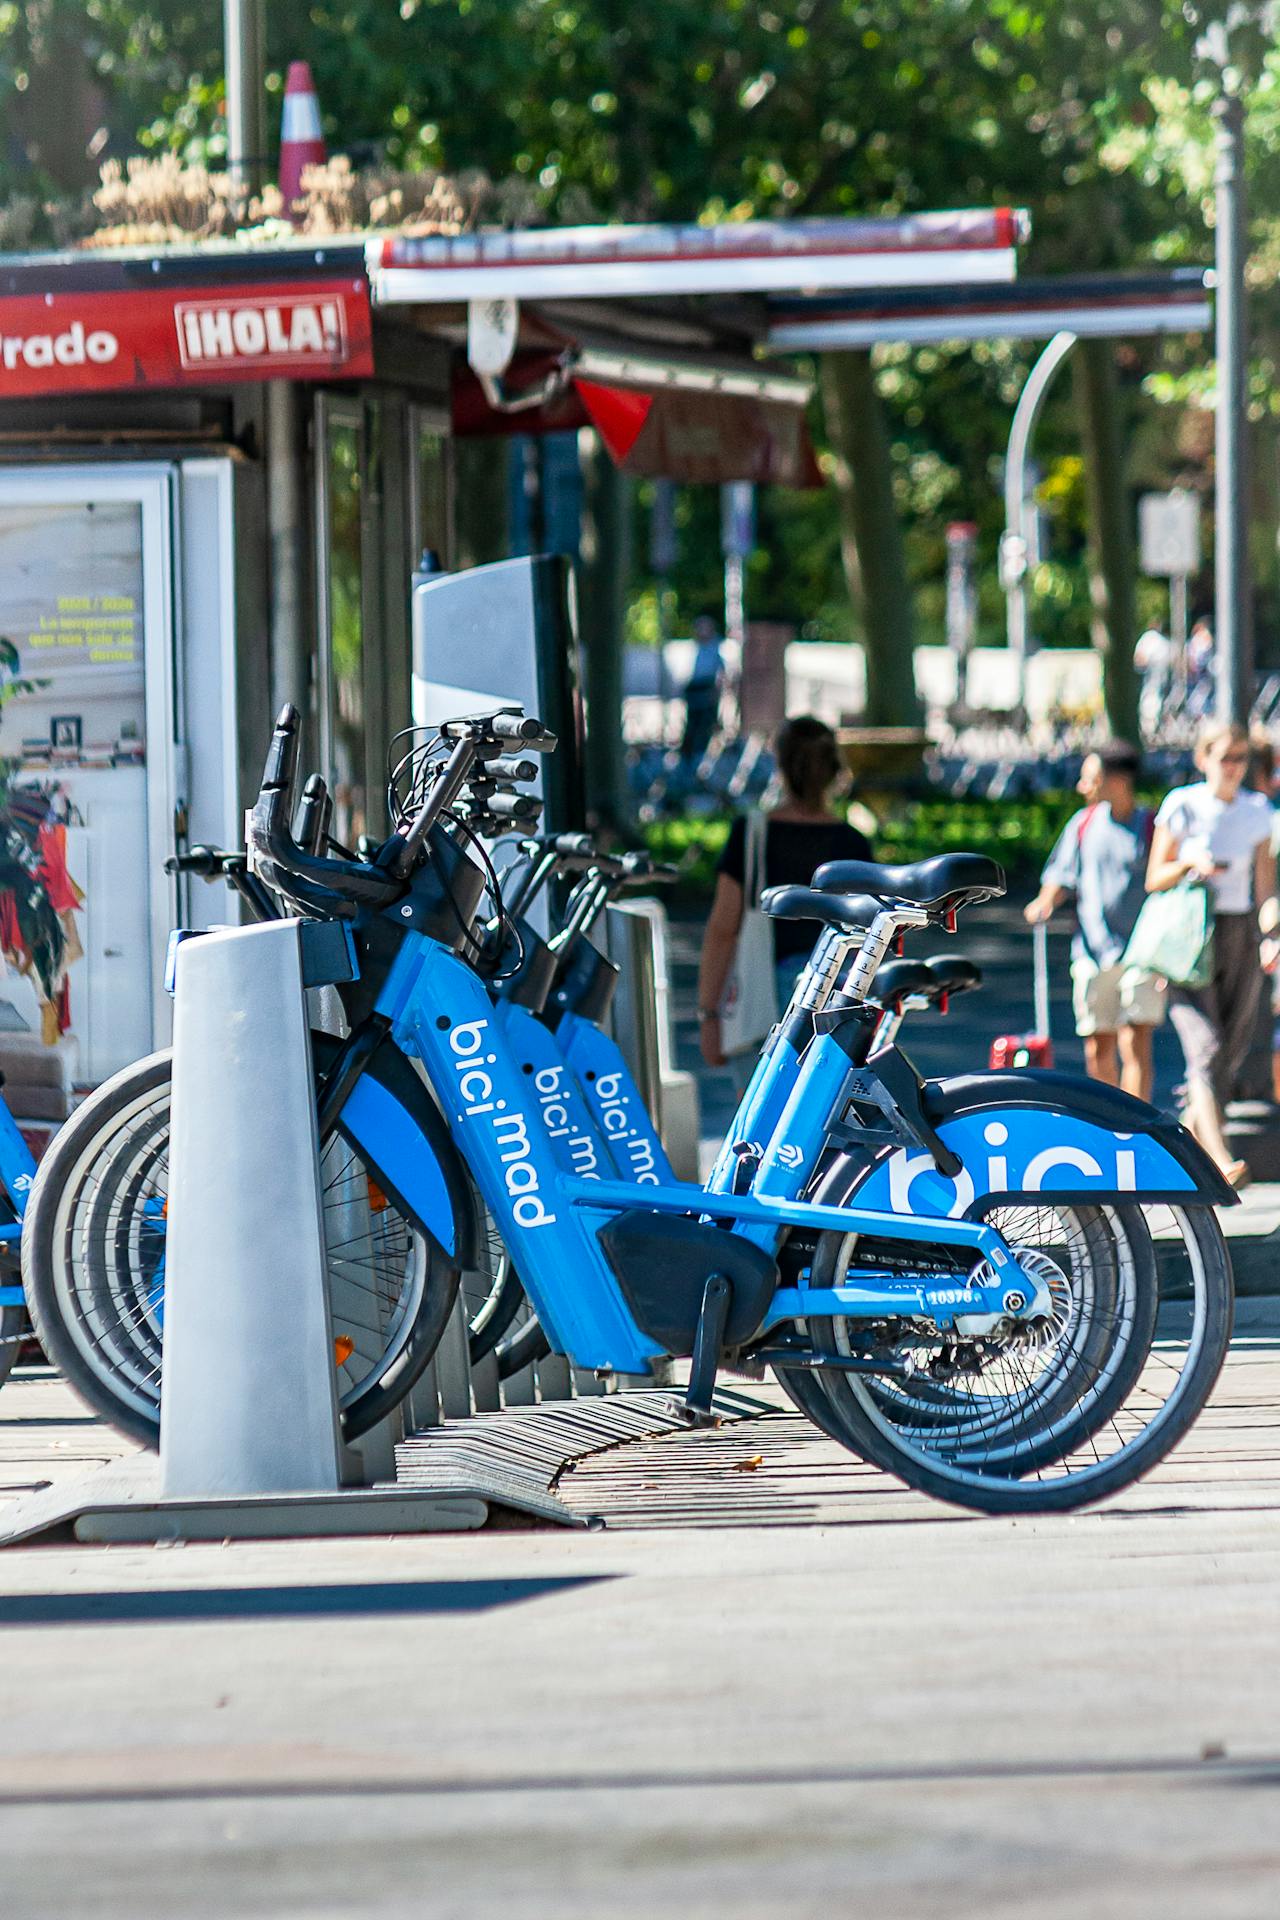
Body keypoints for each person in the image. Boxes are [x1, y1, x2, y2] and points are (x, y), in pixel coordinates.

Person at [1147, 719, 1280, 1185]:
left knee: (1229, 1050)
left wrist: (1271, 935)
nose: (1233, 767)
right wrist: (1188, 863)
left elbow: (1264, 888)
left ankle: (1185, 1148)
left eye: (1241, 758)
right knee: (1205, 1048)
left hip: (1239, 934)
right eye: (1224, 757)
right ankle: (1220, 1159)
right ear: (1202, 759)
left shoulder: (1257, 811)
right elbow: (1153, 878)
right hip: (1189, 936)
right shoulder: (1182, 806)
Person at [697, 716, 871, 1070]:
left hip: (762, 992)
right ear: (834, 768)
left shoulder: (751, 833)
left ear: (780, 764)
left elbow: (723, 929)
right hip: (836, 990)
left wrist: (709, 1014)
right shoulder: (853, 841)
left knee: (762, 1112)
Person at [1025, 740, 1164, 1101]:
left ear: (1116, 780)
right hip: (1092, 949)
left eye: (1091, 778)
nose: (1083, 786)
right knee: (1097, 1045)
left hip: (1141, 951)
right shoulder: (1083, 824)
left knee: (1135, 1041)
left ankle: (1137, 1122)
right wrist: (1044, 902)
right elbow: (1061, 875)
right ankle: (1108, 1118)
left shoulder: (1151, 825)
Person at [681, 615, 724, 764]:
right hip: (694, 690)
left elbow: (719, 673)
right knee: (692, 725)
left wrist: (715, 692)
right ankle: (689, 756)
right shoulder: (696, 648)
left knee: (704, 726)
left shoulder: (715, 648)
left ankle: (700, 756)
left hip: (706, 689)